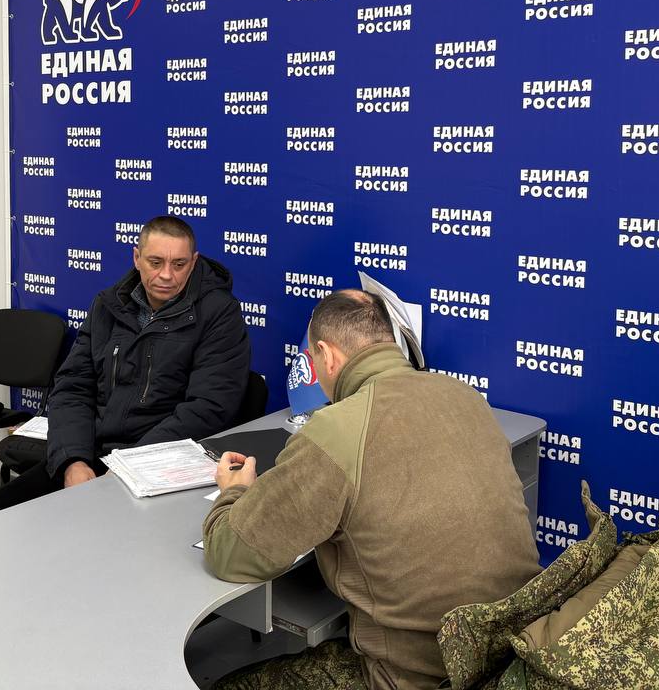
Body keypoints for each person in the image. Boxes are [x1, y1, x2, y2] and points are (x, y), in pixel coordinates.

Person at [202, 289, 541, 690]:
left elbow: (231, 554)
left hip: (420, 677)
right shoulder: (465, 397)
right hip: (513, 655)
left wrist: (234, 492)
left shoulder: (335, 431)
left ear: (326, 355)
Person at [0, 215, 250, 514]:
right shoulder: (108, 305)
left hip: (160, 463)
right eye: (155, 262)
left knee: (94, 529)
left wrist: (129, 466)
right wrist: (73, 461)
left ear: (194, 261)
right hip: (94, 453)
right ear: (137, 258)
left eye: (179, 264)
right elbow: (72, 388)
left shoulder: (219, 313)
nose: (166, 275)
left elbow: (208, 407)